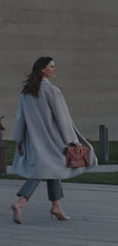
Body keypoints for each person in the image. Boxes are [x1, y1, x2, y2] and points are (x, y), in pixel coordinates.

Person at [10, 56, 96, 223]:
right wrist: (73, 140)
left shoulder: (25, 92)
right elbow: (63, 118)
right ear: (43, 69)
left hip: (33, 140)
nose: (54, 69)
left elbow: (20, 118)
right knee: (41, 171)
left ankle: (56, 207)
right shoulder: (52, 91)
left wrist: (19, 140)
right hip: (52, 140)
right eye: (51, 66)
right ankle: (20, 203)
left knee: (52, 169)